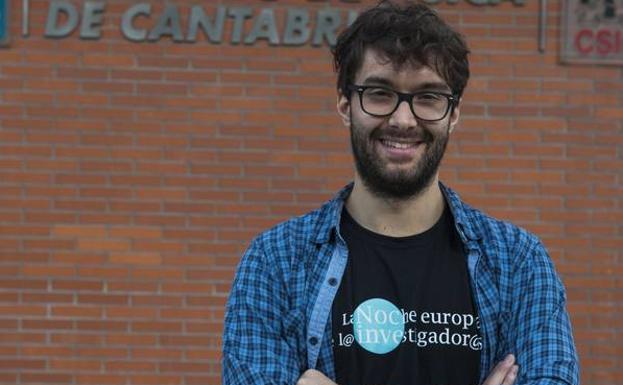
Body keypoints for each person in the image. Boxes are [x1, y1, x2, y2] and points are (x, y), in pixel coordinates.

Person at [222, 1, 579, 385]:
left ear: (453, 114)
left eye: (428, 97)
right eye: (379, 93)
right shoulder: (276, 262)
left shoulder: (519, 263)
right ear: (346, 105)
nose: (403, 119)